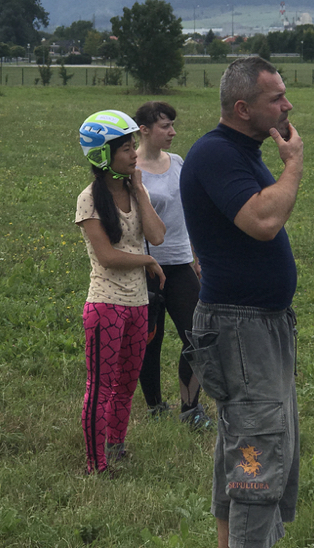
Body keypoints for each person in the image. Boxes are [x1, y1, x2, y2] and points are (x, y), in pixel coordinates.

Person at [180, 56, 303, 548]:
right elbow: (262, 221)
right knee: (257, 451)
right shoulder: (216, 153)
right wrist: (292, 165)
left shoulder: (243, 151)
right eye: (275, 97)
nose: (287, 104)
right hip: (241, 326)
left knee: (249, 444)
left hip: (260, 325)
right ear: (241, 107)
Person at [76, 110, 166, 474]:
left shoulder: (133, 191)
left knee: (127, 384)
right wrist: (146, 261)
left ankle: (117, 447)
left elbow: (158, 236)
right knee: (100, 387)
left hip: (139, 304)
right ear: (103, 155)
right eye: (126, 149)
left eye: (133, 147)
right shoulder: (89, 199)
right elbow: (108, 256)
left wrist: (141, 191)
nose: (133, 154)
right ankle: (95, 463)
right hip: (106, 305)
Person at [134, 101, 211, 429]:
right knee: (149, 341)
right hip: (146, 268)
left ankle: (190, 408)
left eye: (172, 125)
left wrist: (196, 256)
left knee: (198, 337)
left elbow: (188, 214)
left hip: (180, 265)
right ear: (145, 130)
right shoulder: (130, 170)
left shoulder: (178, 163)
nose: (172, 132)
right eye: (165, 126)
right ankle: (154, 406)